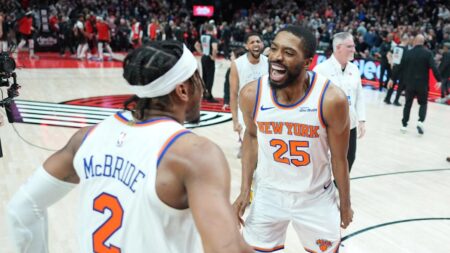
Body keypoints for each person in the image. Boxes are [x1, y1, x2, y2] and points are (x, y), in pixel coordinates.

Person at [6, 41, 253, 253]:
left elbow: (23, 208)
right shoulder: (194, 154)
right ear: (183, 89)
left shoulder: (87, 137)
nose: (203, 89)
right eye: (198, 80)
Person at [233, 25, 353, 253]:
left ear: (308, 62)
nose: (276, 57)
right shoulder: (251, 94)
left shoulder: (331, 100)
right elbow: (250, 137)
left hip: (315, 198)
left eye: (288, 53)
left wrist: (345, 204)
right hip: (268, 194)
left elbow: (339, 159)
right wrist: (244, 189)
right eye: (275, 49)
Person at [314, 32, 366, 172]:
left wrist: (362, 120)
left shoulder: (354, 69)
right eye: (350, 46)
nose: (354, 50)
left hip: (350, 125)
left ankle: (337, 186)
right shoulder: (320, 70)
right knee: (324, 158)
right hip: (328, 125)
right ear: (338, 47)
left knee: (350, 158)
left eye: (353, 46)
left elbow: (359, 95)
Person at [390, 34, 441, 134]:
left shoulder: (408, 53)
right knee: (423, 104)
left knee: (407, 104)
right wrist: (439, 80)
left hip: (409, 84)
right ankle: (420, 122)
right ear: (423, 42)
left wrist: (392, 78)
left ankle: (404, 125)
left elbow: (399, 67)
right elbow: (434, 67)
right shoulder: (428, 53)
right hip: (422, 85)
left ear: (415, 41)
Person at [230, 32, 268, 157]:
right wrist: (235, 120)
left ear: (262, 45)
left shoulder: (268, 63)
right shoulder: (238, 64)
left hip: (264, 108)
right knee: (249, 146)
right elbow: (233, 93)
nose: (256, 44)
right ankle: (243, 146)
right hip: (244, 108)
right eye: (252, 42)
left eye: (258, 41)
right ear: (246, 46)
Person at [195, 24, 218, 102]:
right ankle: (209, 96)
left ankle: (204, 94)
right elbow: (214, 48)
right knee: (210, 77)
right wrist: (213, 57)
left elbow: (196, 45)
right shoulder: (212, 37)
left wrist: (201, 52)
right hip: (209, 57)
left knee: (204, 76)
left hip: (203, 57)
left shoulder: (202, 36)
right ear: (212, 30)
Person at [384, 34, 410, 106]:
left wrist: (391, 62)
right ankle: (396, 100)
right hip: (402, 69)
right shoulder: (406, 49)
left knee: (392, 82)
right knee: (400, 85)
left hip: (395, 67)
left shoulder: (396, 47)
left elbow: (388, 54)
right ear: (407, 40)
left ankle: (387, 98)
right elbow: (406, 60)